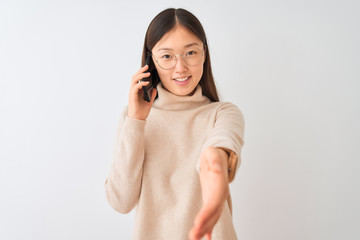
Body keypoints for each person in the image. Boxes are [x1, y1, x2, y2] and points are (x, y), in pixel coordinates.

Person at [105, 8, 245, 240]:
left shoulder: (223, 113)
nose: (180, 68)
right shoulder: (131, 119)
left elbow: (217, 154)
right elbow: (121, 201)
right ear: (151, 62)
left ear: (204, 54)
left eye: (190, 52)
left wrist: (214, 170)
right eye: (167, 56)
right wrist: (136, 121)